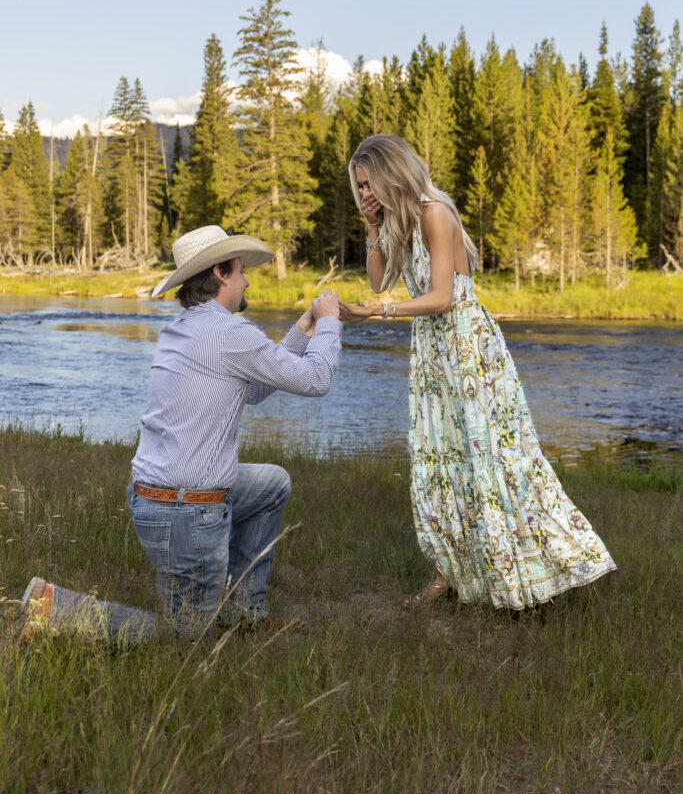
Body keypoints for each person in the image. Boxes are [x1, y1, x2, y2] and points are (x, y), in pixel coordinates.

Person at [20, 225, 343, 641]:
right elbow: (317, 379)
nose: (248, 279)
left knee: (272, 484)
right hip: (185, 510)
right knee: (183, 640)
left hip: (157, 497)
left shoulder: (185, 328)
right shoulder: (229, 333)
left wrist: (303, 328)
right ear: (221, 273)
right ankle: (53, 607)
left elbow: (257, 390)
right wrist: (330, 324)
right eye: (242, 270)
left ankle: (243, 611)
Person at [339, 135, 616, 611]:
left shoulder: (434, 213)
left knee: (494, 461)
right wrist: (372, 229)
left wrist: (376, 312)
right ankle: (452, 572)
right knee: (442, 462)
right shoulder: (398, 223)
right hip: (433, 352)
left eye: (370, 184)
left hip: (468, 351)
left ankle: (536, 572)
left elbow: (443, 297)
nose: (364, 193)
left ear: (392, 173)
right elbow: (379, 280)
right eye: (359, 186)